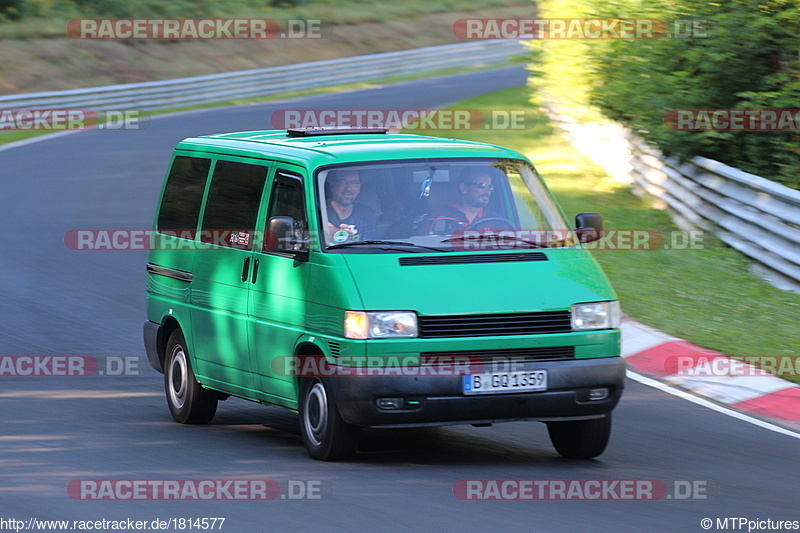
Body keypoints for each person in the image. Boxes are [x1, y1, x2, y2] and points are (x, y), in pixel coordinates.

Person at [427, 167, 502, 233]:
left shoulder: (495, 220)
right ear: (464, 188)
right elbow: (425, 245)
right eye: (481, 185)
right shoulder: (440, 215)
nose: (487, 191)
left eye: (490, 187)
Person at [325, 169, 377, 242]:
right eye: (342, 182)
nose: (348, 188)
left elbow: (369, 245)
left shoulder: (366, 213)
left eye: (354, 183)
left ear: (359, 188)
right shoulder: (319, 211)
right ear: (332, 186)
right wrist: (333, 232)